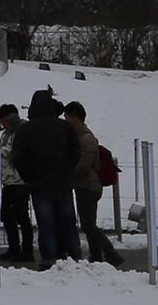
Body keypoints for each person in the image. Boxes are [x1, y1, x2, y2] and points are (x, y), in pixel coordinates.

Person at [9, 86, 82, 263]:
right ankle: (75, 258)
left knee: (46, 225)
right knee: (68, 224)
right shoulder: (64, 126)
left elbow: (18, 157)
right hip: (63, 183)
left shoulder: (26, 129)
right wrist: (67, 169)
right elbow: (75, 152)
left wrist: (28, 176)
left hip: (39, 185)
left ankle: (49, 260)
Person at [66, 100, 119, 265]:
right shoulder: (80, 136)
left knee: (88, 224)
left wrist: (70, 175)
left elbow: (84, 164)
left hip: (88, 185)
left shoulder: (87, 138)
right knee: (89, 223)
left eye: (67, 117)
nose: (66, 120)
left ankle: (110, 253)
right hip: (85, 185)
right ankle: (96, 255)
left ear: (76, 117)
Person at [0, 104, 36, 265]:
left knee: (21, 216)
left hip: (20, 181)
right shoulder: (6, 134)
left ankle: (25, 250)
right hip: (9, 181)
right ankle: (15, 248)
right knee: (8, 216)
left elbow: (15, 152)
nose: (1, 123)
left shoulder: (21, 132)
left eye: (3, 120)